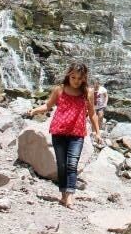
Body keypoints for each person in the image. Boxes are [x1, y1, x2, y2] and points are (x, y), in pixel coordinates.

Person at [29, 62, 101, 207]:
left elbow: (92, 113)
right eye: (73, 77)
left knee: (72, 164)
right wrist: (34, 110)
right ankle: (63, 195)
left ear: (84, 78)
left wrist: (97, 132)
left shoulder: (88, 92)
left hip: (77, 133)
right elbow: (48, 106)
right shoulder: (59, 90)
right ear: (68, 75)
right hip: (59, 131)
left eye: (79, 78)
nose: (76, 81)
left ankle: (69, 196)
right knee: (62, 165)